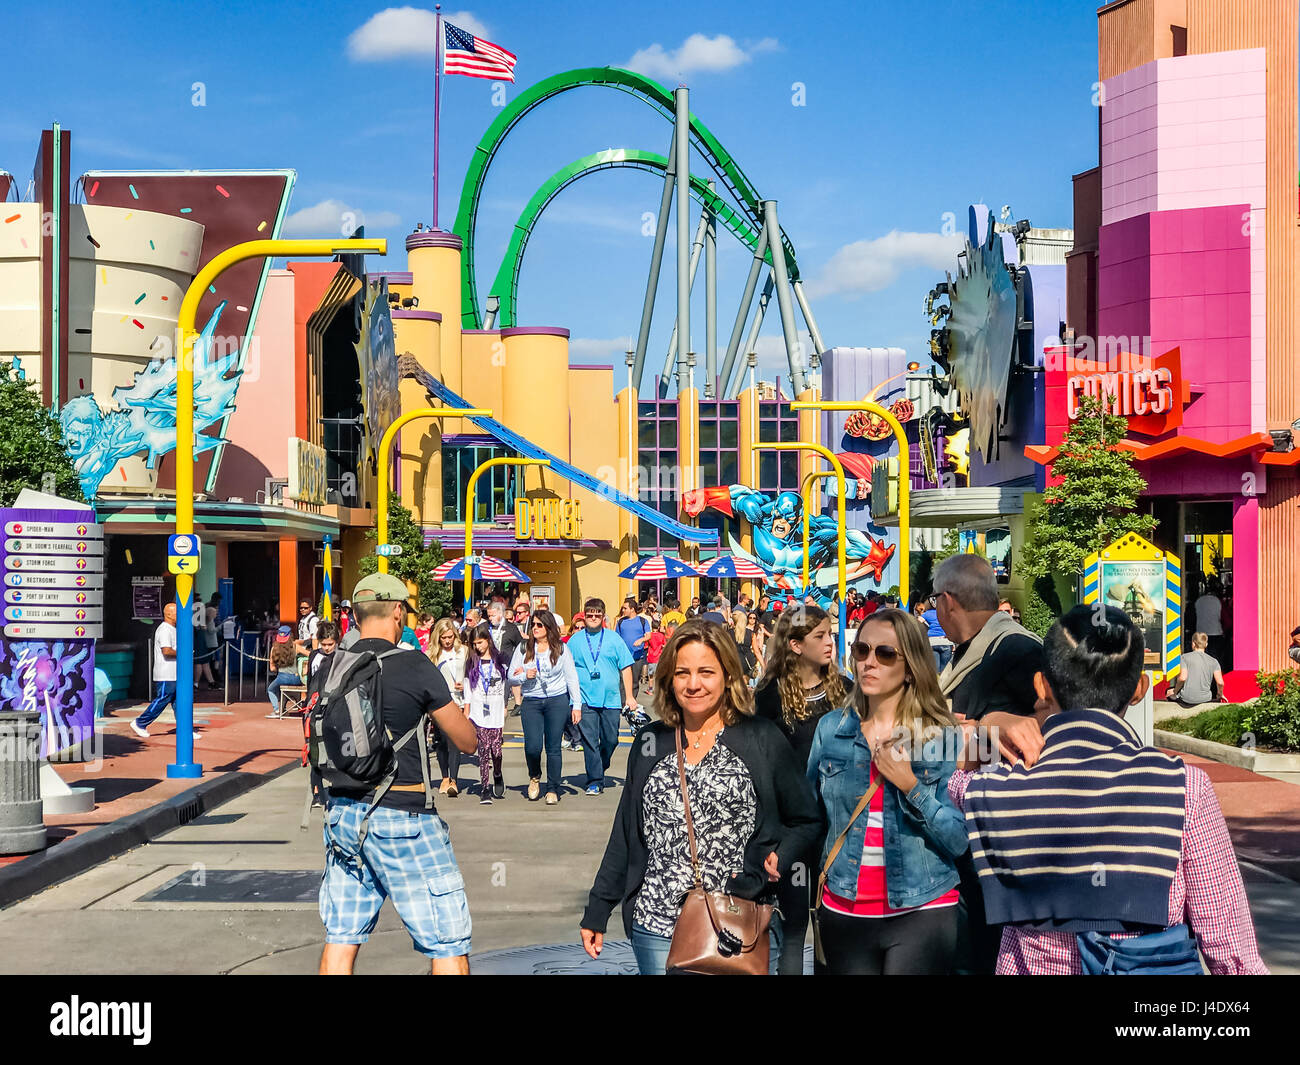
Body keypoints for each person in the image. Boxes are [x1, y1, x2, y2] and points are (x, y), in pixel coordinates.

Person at [949, 605, 1267, 975]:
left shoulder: (996, 788)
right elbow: (1230, 949)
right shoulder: (1183, 789)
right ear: (1138, 690)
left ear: (1040, 686)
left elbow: (929, 758)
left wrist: (989, 725)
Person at [580, 619, 825, 975]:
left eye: (706, 672)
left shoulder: (760, 738)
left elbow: (807, 818)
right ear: (669, 678)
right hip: (657, 925)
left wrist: (780, 855)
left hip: (738, 922)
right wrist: (598, 907)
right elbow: (627, 833)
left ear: (727, 674)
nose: (693, 684)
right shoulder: (651, 743)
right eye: (683, 673)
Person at [318, 573, 477, 975]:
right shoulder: (413, 664)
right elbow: (466, 741)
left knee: (341, 937)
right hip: (404, 816)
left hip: (342, 815)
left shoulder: (330, 668)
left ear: (354, 615)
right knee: (447, 944)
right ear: (397, 611)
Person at [805, 608, 967, 975]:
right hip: (844, 907)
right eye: (861, 651)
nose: (869, 663)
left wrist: (911, 785)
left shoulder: (939, 735)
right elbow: (810, 815)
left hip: (922, 908)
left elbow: (959, 839)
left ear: (910, 666)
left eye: (885, 654)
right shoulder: (832, 729)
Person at [930, 553, 1043, 974]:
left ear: (947, 601)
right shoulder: (973, 650)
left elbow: (1047, 726)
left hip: (1000, 841)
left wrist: (981, 732)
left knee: (986, 954)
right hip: (966, 837)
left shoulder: (1015, 648)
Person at [749, 602, 846, 974]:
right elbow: (759, 768)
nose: (830, 643)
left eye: (831, 635)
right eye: (820, 636)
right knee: (792, 930)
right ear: (795, 645)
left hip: (839, 829)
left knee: (831, 929)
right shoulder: (769, 698)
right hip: (790, 831)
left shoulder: (847, 693)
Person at [570, 598, 642, 796]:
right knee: (590, 740)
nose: (593, 618)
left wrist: (629, 696)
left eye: (597, 615)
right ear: (584, 616)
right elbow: (566, 670)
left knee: (611, 739)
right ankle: (594, 780)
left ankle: (600, 765)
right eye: (589, 615)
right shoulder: (575, 640)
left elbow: (626, 667)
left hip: (610, 699)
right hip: (584, 699)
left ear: (603, 617)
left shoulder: (613, 639)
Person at [509, 611, 582, 805]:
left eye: (539, 625)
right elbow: (511, 676)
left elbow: (571, 677)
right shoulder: (524, 648)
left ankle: (552, 788)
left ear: (549, 627)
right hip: (532, 701)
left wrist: (577, 705)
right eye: (533, 624)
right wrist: (525, 676)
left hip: (556, 701)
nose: (535, 628)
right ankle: (534, 776)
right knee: (533, 747)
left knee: (553, 747)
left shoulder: (561, 648)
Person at [132, 603, 195, 740]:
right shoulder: (165, 629)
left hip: (174, 672)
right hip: (166, 673)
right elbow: (166, 651)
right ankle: (140, 722)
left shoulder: (173, 629)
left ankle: (185, 729)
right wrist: (184, 653)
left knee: (179, 701)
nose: (179, 615)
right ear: (169, 614)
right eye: (177, 613)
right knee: (163, 698)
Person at [463, 622, 509, 805]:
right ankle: (485, 788)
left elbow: (507, 683)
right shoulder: (472, 662)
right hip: (478, 710)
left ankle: (497, 773)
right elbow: (467, 687)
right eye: (475, 644)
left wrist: (506, 704)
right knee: (483, 751)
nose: (478, 647)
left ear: (488, 641)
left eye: (480, 642)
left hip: (496, 710)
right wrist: (467, 710)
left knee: (496, 751)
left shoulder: (501, 659)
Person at [429, 619, 468, 797]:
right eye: (443, 637)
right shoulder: (432, 654)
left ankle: (454, 779)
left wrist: (465, 687)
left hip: (459, 701)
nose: (447, 641)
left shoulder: (464, 651)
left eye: (450, 637)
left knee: (454, 742)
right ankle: (444, 776)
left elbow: (471, 675)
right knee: (441, 741)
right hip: (439, 703)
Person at [1167, 632, 1225, 708]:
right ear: (1206, 644)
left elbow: (1182, 678)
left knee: (1168, 691)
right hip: (1206, 699)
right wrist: (1219, 694)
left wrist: (1175, 692)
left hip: (1187, 699)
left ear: (1193, 644)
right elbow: (1220, 682)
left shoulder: (1184, 657)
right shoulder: (1214, 661)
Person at [616, 597, 652, 698]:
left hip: (637, 656)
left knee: (635, 681)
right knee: (622, 681)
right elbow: (617, 637)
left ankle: (633, 701)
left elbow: (649, 635)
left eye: (625, 608)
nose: (623, 610)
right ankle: (623, 703)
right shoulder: (621, 622)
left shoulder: (642, 621)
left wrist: (641, 640)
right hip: (623, 656)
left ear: (632, 609)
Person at [267, 634, 303, 715]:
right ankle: (298, 706)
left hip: (282, 677)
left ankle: (276, 710)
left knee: (271, 689)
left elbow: (272, 669)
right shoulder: (295, 647)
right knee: (298, 687)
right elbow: (310, 654)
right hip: (296, 678)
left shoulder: (274, 649)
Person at [1195, 580, 1226, 663]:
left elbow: (1193, 616)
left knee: (1202, 658)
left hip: (1200, 634)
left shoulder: (1199, 600)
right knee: (1216, 658)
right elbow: (1224, 618)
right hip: (1216, 634)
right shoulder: (1219, 601)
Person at [644, 618, 668, 692]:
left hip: (651, 657)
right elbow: (665, 645)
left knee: (651, 675)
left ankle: (650, 689)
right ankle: (658, 690)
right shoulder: (661, 635)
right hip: (659, 657)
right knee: (658, 675)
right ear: (658, 627)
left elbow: (646, 646)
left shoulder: (649, 635)